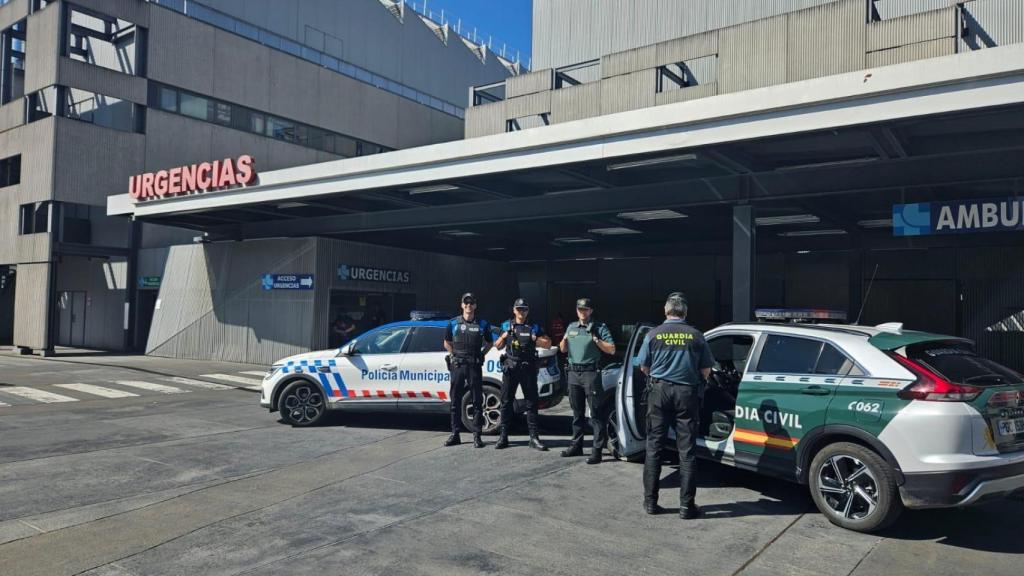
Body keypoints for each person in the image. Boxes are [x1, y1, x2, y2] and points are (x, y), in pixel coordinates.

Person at [637, 292, 714, 519]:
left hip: (659, 393)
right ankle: (686, 507)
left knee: (654, 448)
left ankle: (651, 503)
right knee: (687, 451)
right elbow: (707, 371)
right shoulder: (696, 336)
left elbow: (643, 366)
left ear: (666, 311)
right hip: (686, 394)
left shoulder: (653, 334)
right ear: (685, 312)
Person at [559, 298, 616, 464]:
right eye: (580, 309)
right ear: (576, 310)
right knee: (577, 413)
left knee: (596, 413)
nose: (582, 312)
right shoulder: (571, 327)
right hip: (573, 373)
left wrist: (596, 339)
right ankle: (576, 445)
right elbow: (563, 349)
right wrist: (564, 339)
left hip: (590, 373)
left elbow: (611, 350)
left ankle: (597, 450)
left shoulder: (599, 327)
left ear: (591, 311)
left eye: (585, 309)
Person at [494, 298, 551, 451]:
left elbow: (548, 343)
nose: (521, 312)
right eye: (519, 309)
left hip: (528, 368)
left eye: (524, 309)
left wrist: (535, 339)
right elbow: (497, 346)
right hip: (511, 367)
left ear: (527, 311)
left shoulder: (534, 326)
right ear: (514, 310)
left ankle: (534, 438)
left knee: (531, 403)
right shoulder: (507, 325)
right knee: (506, 402)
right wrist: (504, 336)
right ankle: (503, 437)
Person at [443, 292, 493, 448]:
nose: (468, 305)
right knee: (455, 401)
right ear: (462, 305)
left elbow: (490, 343)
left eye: (471, 303)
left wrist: (481, 355)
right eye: (466, 303)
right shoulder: (453, 323)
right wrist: (453, 355)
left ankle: (477, 436)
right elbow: (446, 342)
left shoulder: (483, 324)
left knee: (477, 401)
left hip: (474, 366)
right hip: (458, 366)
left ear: (475, 305)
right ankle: (455, 434)